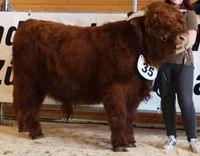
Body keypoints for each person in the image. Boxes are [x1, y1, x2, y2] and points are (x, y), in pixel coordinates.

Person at [158, 0, 200, 154]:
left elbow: (190, 41)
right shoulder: (161, 14)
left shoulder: (189, 14)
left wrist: (166, 48)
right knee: (167, 100)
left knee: (186, 101)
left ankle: (193, 140)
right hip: (163, 64)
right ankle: (171, 137)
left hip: (184, 63)